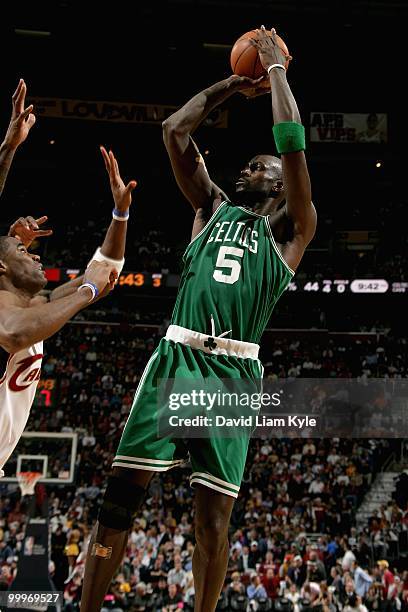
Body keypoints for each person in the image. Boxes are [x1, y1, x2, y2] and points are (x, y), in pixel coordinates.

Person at [80, 26, 316, 612]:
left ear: (281, 183)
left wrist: (277, 68)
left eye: (260, 166)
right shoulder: (211, 208)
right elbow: (174, 130)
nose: (249, 169)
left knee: (212, 522)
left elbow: (290, 142)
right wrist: (236, 84)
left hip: (234, 373)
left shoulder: (292, 228)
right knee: (118, 504)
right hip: (177, 356)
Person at [0, 83, 137, 479]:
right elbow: (12, 334)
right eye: (24, 253)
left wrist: (120, 214)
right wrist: (8, 149)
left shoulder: (38, 306)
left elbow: (104, 268)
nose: (37, 254)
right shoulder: (12, 317)